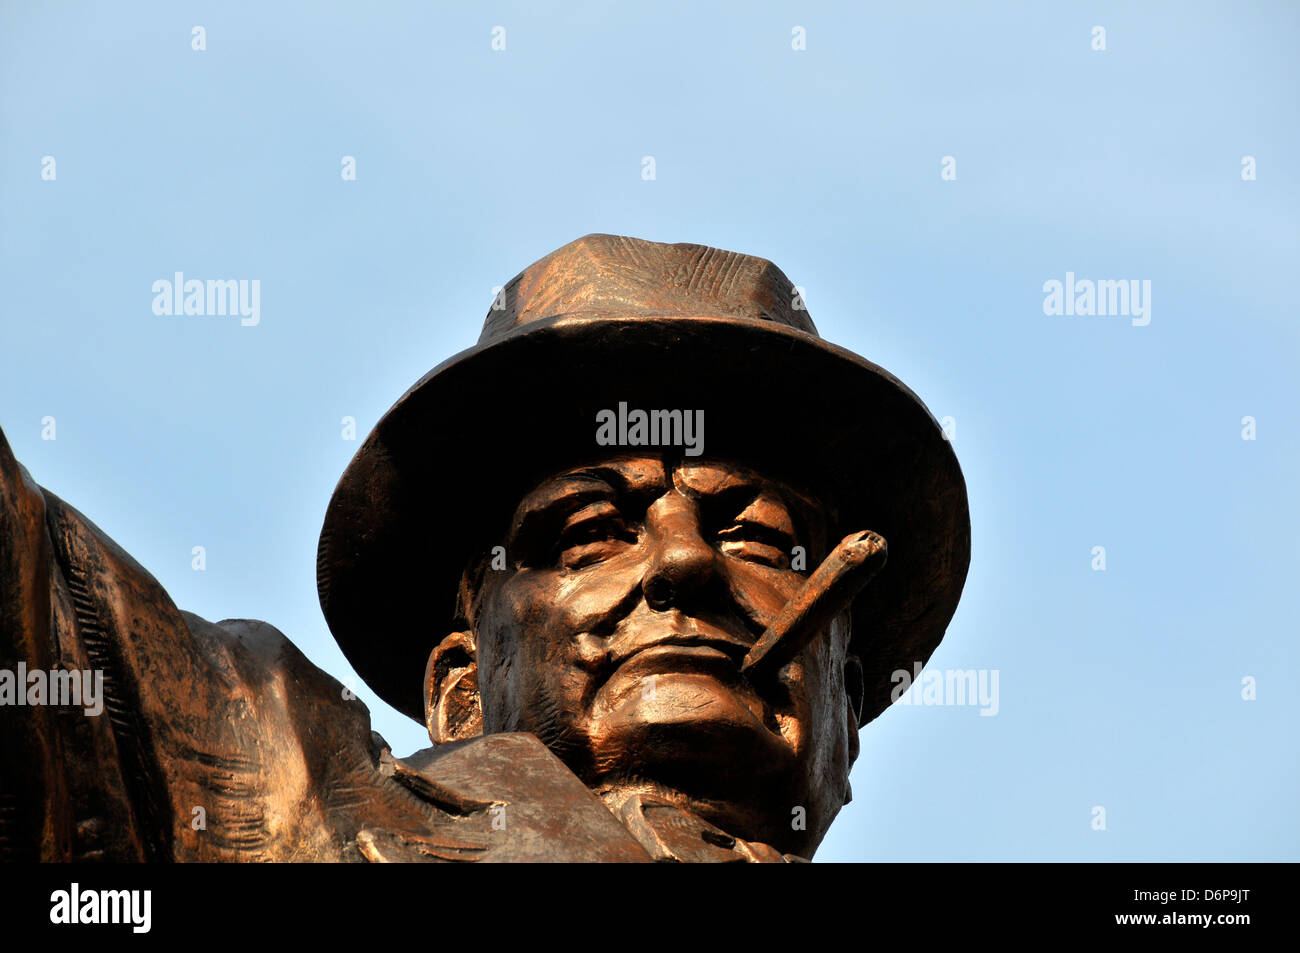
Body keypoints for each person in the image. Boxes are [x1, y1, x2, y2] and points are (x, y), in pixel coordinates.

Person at [0, 234, 969, 862]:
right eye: (589, 533)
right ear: (461, 691)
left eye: (757, 535)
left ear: (841, 707)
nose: (685, 565)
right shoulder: (292, 797)